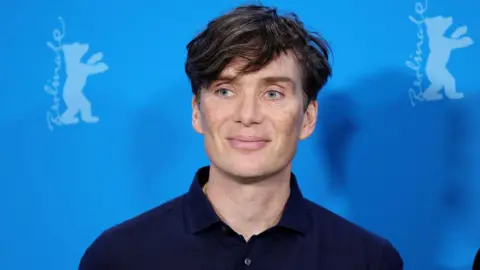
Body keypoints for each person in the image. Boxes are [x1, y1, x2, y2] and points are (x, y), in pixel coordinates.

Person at [79, 4, 404, 270]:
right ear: (197, 112)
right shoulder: (119, 257)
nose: (247, 115)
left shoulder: (368, 261)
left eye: (273, 93)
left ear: (308, 118)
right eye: (225, 90)